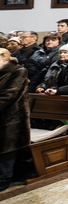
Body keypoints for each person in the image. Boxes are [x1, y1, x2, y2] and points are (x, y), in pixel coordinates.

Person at [0, 48, 29, 191]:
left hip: (11, 117)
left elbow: (9, 95)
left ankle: (4, 177)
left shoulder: (18, 71)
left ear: (5, 60)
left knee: (6, 147)